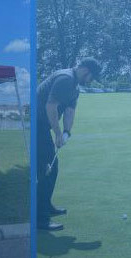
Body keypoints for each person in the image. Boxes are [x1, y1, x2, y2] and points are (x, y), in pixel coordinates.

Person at [36, 57, 101, 231]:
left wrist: (66, 132)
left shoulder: (75, 87)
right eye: (92, 77)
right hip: (36, 125)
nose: (91, 81)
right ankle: (40, 220)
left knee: (52, 167)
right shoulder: (66, 79)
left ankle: (45, 206)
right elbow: (51, 106)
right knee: (46, 169)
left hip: (43, 125)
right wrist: (57, 133)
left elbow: (70, 111)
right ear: (86, 71)